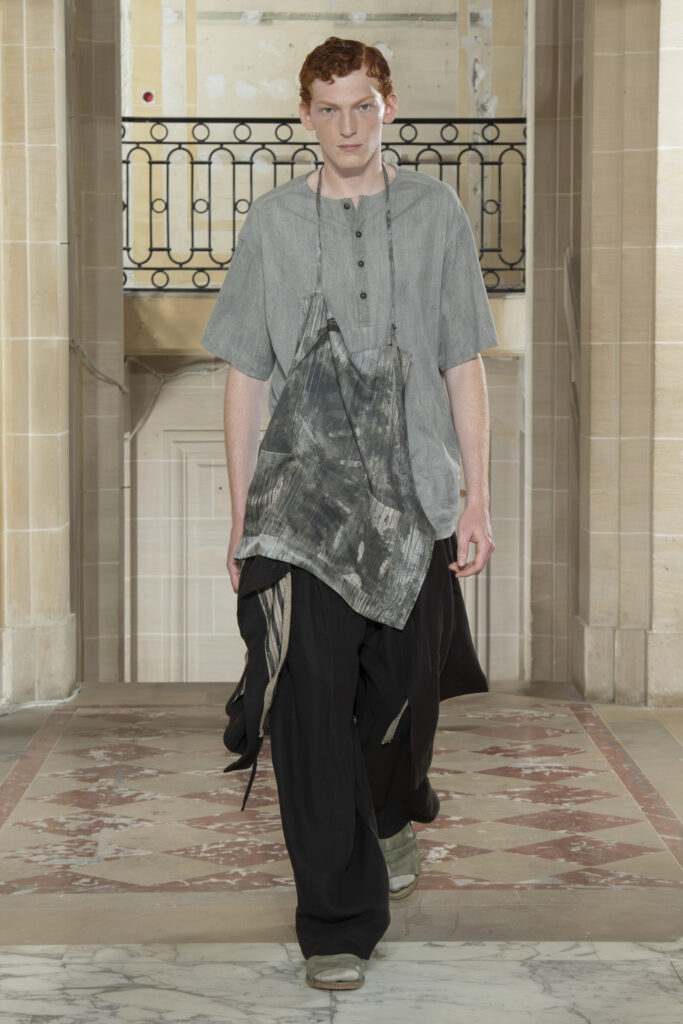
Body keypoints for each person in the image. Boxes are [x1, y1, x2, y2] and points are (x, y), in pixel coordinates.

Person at [201, 36, 498, 991]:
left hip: (412, 498)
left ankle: (389, 808)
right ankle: (335, 921)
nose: (346, 125)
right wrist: (241, 516)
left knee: (406, 695)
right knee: (308, 706)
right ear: (305, 118)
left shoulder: (437, 210)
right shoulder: (273, 223)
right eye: (327, 109)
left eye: (361, 105)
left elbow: (462, 361)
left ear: (388, 107)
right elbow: (245, 375)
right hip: (301, 507)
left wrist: (476, 498)